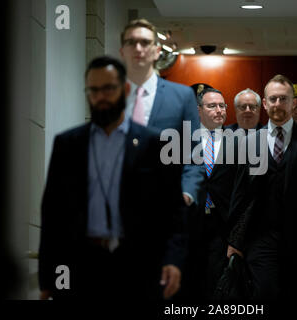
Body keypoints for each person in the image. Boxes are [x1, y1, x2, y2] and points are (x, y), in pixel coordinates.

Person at [38, 56, 186, 300]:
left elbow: (173, 210)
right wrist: (47, 277)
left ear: (125, 89)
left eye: (108, 88)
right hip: (81, 266)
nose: (100, 97)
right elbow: (53, 213)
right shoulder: (68, 144)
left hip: (138, 266)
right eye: (94, 90)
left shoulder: (155, 143)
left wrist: (173, 260)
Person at [227, 75, 297, 300]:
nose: (278, 104)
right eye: (273, 99)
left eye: (283, 99)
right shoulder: (250, 142)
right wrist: (234, 241)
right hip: (260, 237)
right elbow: (240, 195)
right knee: (265, 292)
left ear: (293, 103)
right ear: (265, 103)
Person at [119, 18, 203, 208]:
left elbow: (195, 154)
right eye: (131, 42)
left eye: (145, 42)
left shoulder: (182, 96)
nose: (138, 48)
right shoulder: (111, 97)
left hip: (167, 206)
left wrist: (186, 193)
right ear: (122, 52)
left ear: (157, 51)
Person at [184, 88, 240, 299]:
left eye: (222, 105)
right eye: (211, 106)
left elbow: (242, 191)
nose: (219, 110)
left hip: (222, 224)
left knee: (215, 283)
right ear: (198, 110)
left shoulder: (239, 143)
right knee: (189, 282)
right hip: (190, 223)